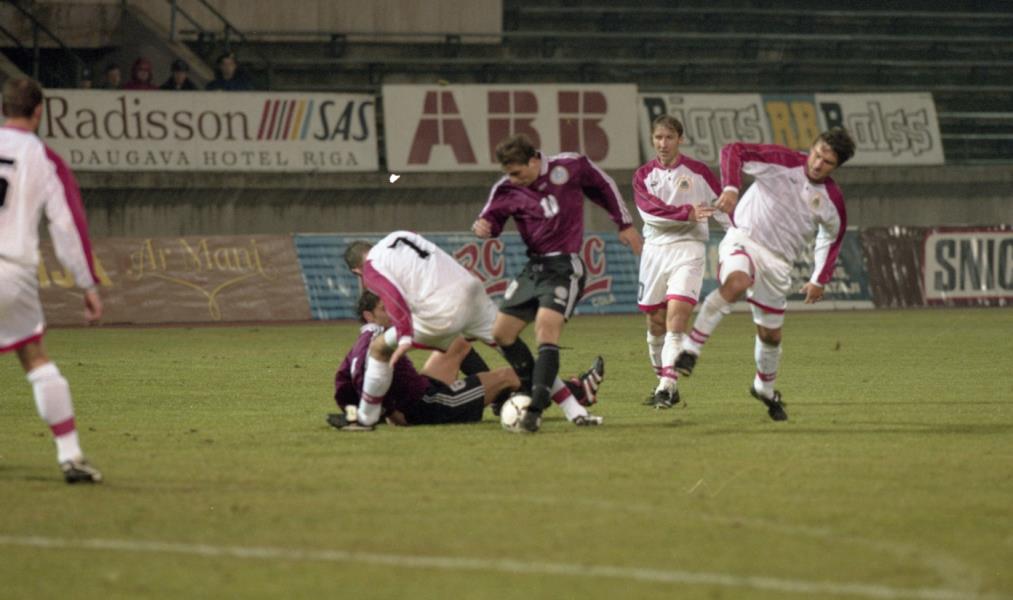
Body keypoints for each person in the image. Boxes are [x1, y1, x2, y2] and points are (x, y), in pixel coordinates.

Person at [676, 128, 857, 421]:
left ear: (836, 167)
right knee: (737, 283)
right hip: (744, 239)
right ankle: (691, 349)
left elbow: (831, 238)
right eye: (816, 154)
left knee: (770, 335)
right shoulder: (781, 161)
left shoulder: (831, 199)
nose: (817, 164)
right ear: (811, 147)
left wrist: (818, 279)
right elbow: (733, 150)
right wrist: (731, 188)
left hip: (778, 264)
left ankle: (764, 388)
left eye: (827, 162)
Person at [343, 231, 604, 431]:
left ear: (357, 271)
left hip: (441, 311)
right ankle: (575, 409)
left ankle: (366, 417)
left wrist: (404, 334)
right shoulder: (401, 237)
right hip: (471, 291)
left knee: (379, 349)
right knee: (513, 351)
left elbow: (392, 295)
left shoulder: (372, 267)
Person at [472, 133, 643, 432]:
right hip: (534, 268)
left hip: (564, 266)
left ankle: (535, 408)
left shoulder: (570, 166)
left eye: (517, 173)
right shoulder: (506, 188)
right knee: (501, 333)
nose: (513, 179)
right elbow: (490, 221)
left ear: (533, 160)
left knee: (545, 330)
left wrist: (624, 223)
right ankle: (534, 389)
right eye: (508, 174)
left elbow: (603, 185)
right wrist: (484, 228)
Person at [0, 77, 104, 483]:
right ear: (39, 112)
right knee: (35, 359)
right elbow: (67, 225)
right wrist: (87, 283)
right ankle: (70, 455)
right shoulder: (43, 158)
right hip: (12, 271)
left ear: (4, 109)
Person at [331, 292, 603, 429]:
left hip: (422, 389)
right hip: (431, 406)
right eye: (384, 309)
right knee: (508, 375)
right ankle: (578, 391)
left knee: (457, 343)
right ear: (369, 316)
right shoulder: (376, 342)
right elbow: (361, 377)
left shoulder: (365, 341)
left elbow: (344, 381)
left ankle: (496, 398)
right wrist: (390, 413)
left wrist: (355, 411)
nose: (392, 312)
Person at [634, 115, 728, 409]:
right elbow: (649, 212)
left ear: (680, 139)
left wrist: (741, 242)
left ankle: (666, 387)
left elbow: (723, 208)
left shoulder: (698, 172)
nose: (663, 143)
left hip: (689, 249)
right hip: (654, 251)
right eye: (658, 138)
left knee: (676, 321)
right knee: (655, 323)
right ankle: (664, 381)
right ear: (653, 139)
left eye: (669, 137)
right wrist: (686, 213)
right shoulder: (643, 176)